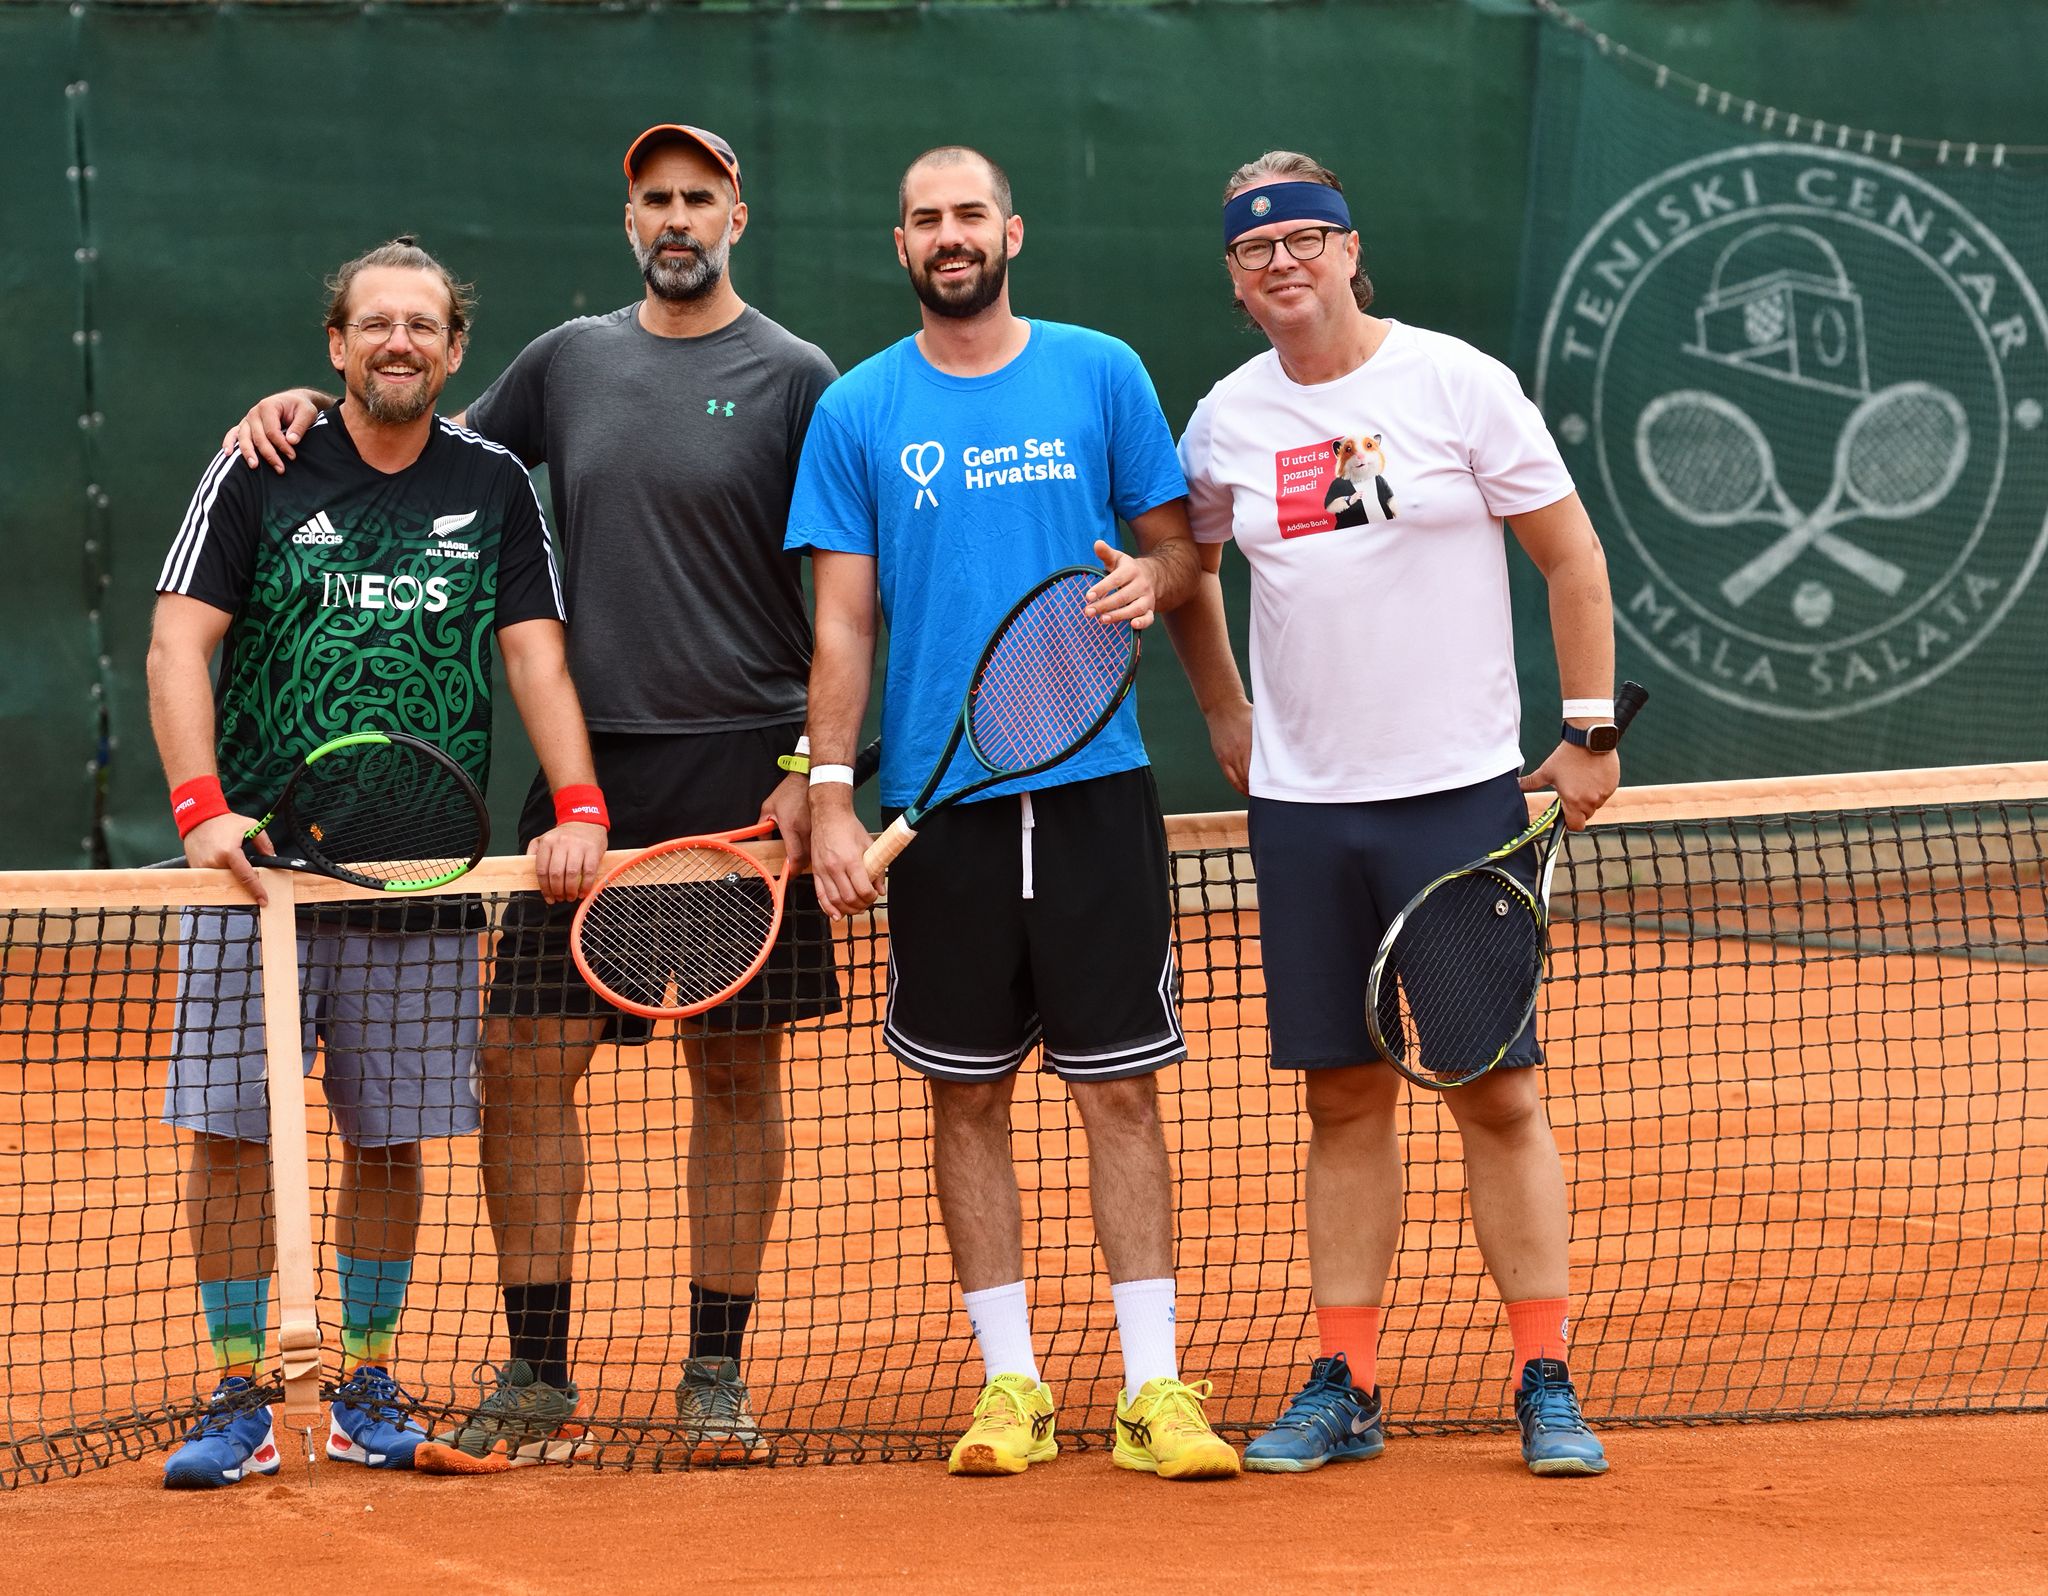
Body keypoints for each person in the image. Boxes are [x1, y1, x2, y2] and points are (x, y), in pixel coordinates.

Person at [223, 126, 840, 1470]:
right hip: (589, 779)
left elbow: (853, 591)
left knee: (736, 1074)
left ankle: (716, 1375)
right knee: (520, 1068)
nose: (676, 218)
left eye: (698, 198)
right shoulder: (568, 362)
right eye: (652, 200)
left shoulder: (798, 377)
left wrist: (811, 773)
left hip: (743, 772)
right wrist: (288, 408)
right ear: (629, 221)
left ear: (738, 209)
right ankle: (539, 1371)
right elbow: (413, 444)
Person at [1165, 150, 1622, 1478]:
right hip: (1305, 817)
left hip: (1460, 807)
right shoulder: (1225, 421)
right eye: (1258, 249)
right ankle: (1348, 1385)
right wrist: (1226, 715)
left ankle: (1545, 1375)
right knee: (1343, 1102)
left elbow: (1572, 556)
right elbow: (1186, 573)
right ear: (1237, 282)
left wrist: (1589, 730)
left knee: (1497, 1093)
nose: (1285, 262)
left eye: (1308, 237)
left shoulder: (1456, 383)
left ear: (1352, 251)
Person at [793, 146, 1239, 1482]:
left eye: (969, 214)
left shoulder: (1101, 371)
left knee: (1122, 1099)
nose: (948, 235)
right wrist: (827, 793)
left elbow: (1177, 551)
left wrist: (1152, 586)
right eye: (924, 217)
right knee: (964, 1100)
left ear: (1011, 232)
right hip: (938, 809)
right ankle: (1011, 1388)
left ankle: (1155, 1390)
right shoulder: (858, 409)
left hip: (1096, 787)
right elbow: (843, 620)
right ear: (902, 243)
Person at [151, 237, 606, 1489]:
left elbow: (534, 659)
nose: (397, 340)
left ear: (455, 351)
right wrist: (202, 813)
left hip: (419, 880)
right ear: (336, 344)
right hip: (259, 875)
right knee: (233, 1138)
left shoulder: (498, 484)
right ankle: (239, 1391)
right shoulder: (261, 463)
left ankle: (364, 1381)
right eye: (373, 323)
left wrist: (577, 804)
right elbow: (177, 642)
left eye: (422, 324)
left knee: (390, 1142)